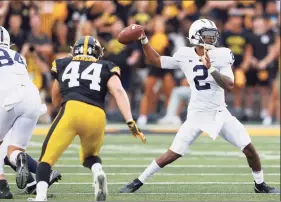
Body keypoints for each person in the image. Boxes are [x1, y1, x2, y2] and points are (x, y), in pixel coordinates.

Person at [120, 19, 280, 194]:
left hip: (220, 112)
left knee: (249, 148)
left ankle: (260, 184)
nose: (212, 39)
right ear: (196, 37)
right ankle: (137, 182)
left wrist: (211, 68)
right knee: (173, 153)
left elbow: (229, 85)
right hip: (197, 113)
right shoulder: (184, 55)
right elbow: (155, 60)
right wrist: (144, 40)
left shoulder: (222, 54)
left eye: (213, 35)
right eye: (208, 35)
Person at [31, 36, 146, 201]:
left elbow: (55, 97)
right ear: (98, 52)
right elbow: (119, 91)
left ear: (74, 50)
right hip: (97, 114)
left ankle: (40, 197)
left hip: (71, 110)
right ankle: (98, 170)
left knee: (46, 158)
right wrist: (130, 121)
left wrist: (59, 108)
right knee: (89, 156)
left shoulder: (63, 63)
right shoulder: (107, 66)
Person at [0, 26, 44, 199]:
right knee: (14, 149)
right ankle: (22, 160)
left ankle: (3, 187)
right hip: (32, 96)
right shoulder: (18, 56)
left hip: (8, 95)